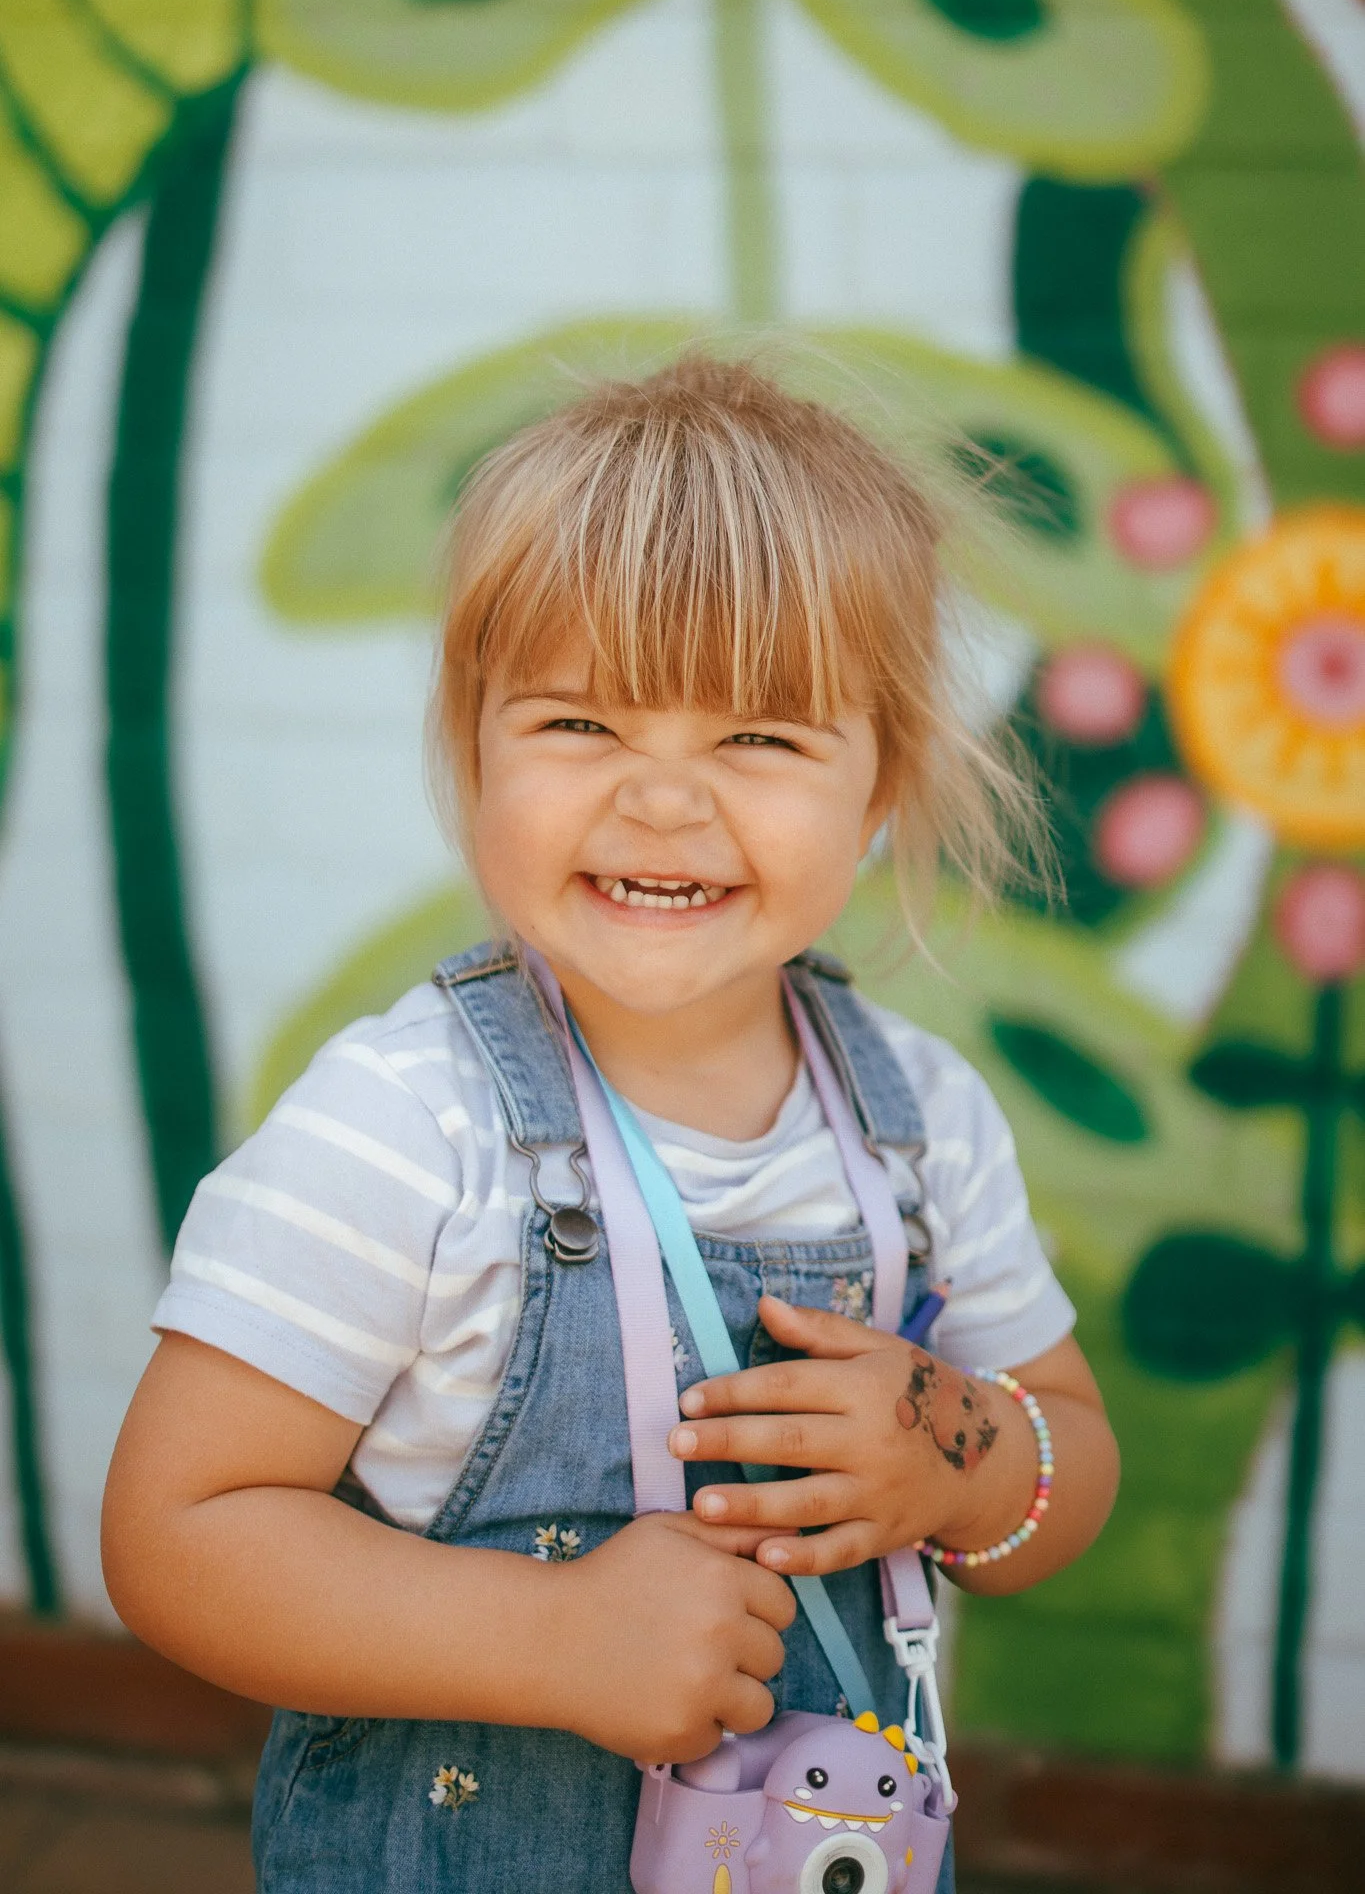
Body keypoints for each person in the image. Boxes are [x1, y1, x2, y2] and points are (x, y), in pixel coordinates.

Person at [102, 358, 1119, 1893]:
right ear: (477, 745)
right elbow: (176, 1534)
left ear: (882, 786)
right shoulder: (400, 1126)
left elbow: (1071, 1464)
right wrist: (548, 1636)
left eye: (760, 737)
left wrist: (956, 1463)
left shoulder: (926, 1129)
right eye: (580, 721)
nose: (661, 801)